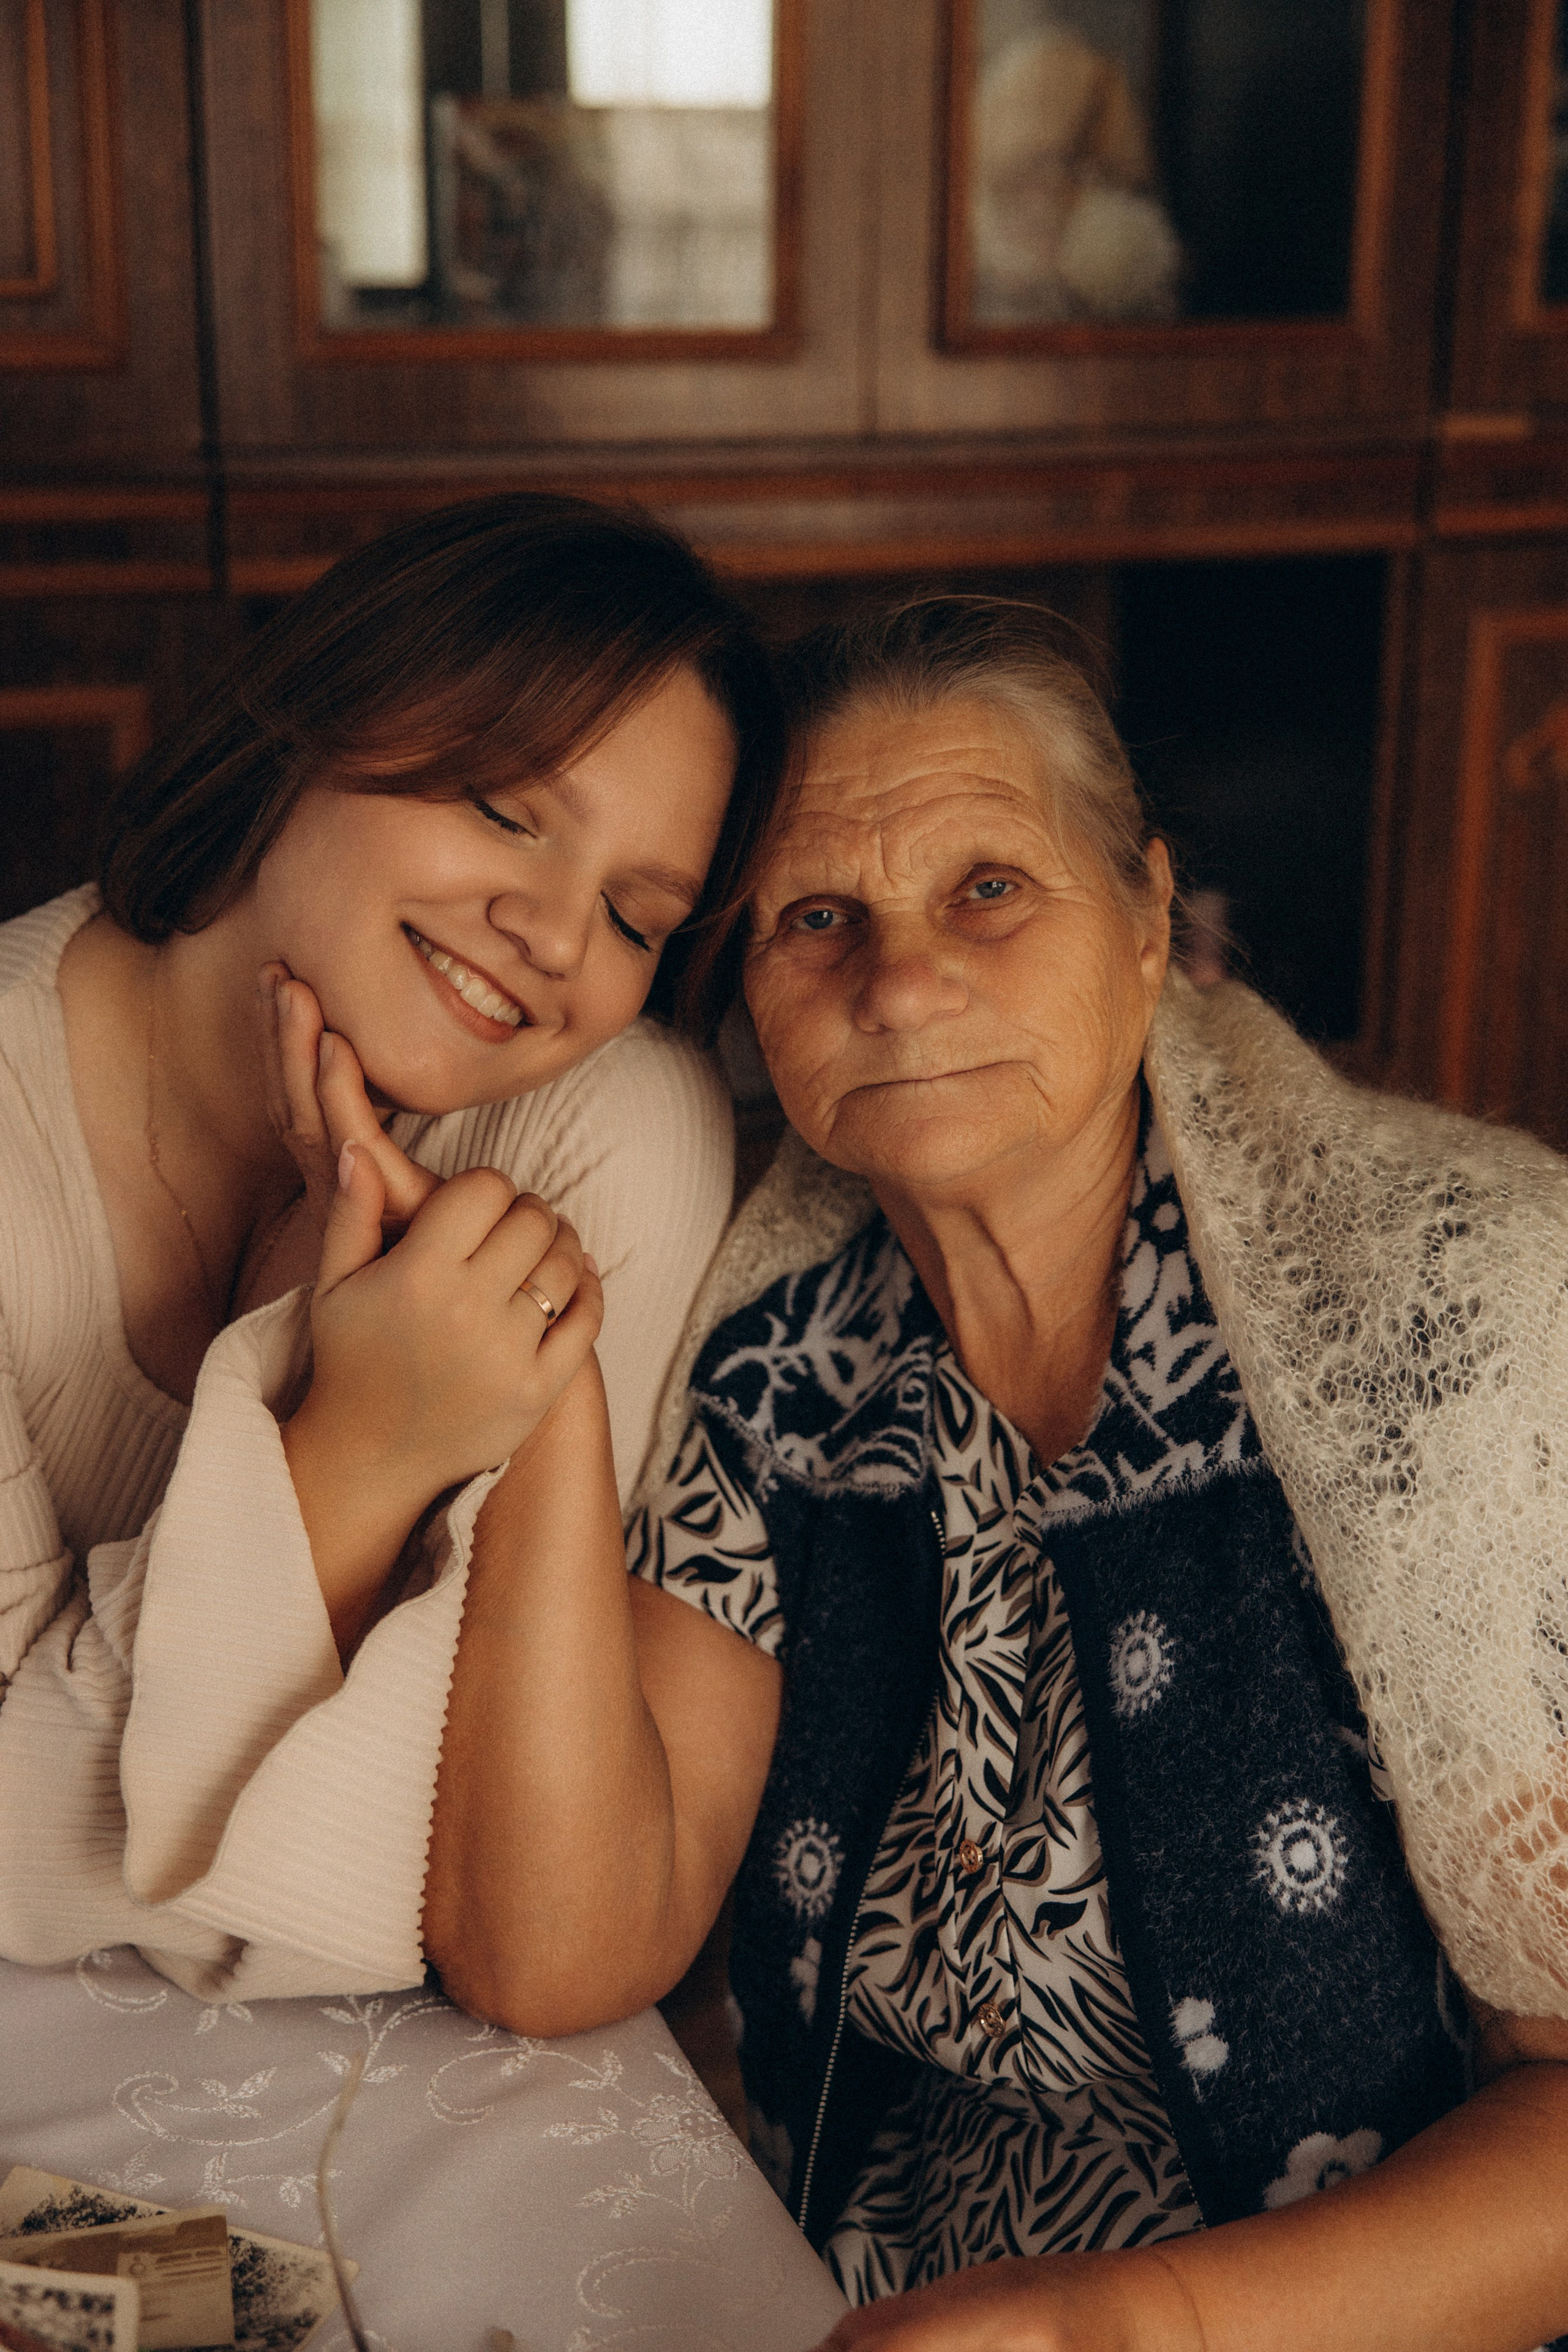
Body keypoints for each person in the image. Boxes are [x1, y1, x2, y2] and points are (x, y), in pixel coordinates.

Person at [425, 596, 1568, 2351]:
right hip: (857, 2293)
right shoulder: (778, 1354)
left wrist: (1121, 2331)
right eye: (820, 918)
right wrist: (550, 1391)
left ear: (1146, 922)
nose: (900, 978)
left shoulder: (1452, 1332)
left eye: (987, 889)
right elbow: (561, 1951)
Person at [0, 492, 780, 2006]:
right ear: (313, 721)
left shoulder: (609, 1130)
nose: (555, 936)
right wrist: (356, 1445)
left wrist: (518, 1358)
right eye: (504, 810)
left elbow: (486, 1886)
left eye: (636, 916)